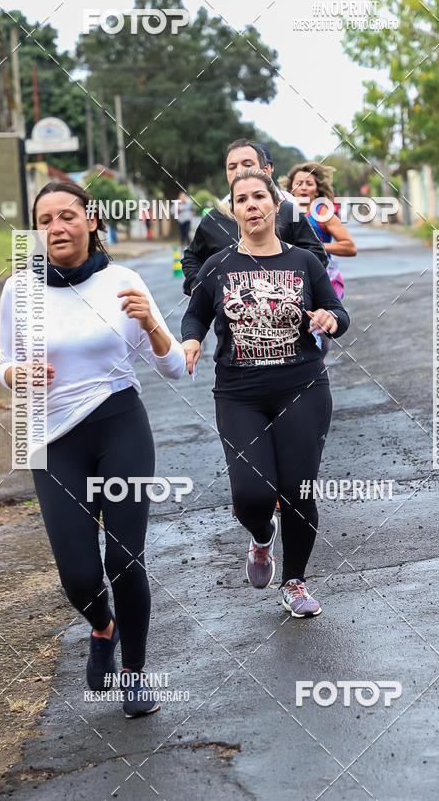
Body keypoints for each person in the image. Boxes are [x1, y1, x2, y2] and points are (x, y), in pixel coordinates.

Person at [0, 180, 186, 718]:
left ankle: (136, 674)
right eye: (46, 220)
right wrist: (19, 374)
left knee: (125, 558)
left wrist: (151, 324)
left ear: (92, 221)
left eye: (67, 216)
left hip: (119, 423)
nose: (57, 227)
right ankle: (101, 628)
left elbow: (173, 368)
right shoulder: (19, 290)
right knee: (78, 574)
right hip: (49, 438)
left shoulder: (124, 281)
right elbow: (4, 364)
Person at [180, 168, 350, 617]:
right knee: (252, 496)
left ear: (276, 205)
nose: (252, 204)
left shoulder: (304, 261)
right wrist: (192, 339)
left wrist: (332, 319)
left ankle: (295, 581)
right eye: (242, 199)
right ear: (233, 210)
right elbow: (194, 314)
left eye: (260, 196)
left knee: (298, 488)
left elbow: (336, 309)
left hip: (303, 386)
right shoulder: (218, 267)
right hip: (239, 395)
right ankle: (260, 537)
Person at [181, 140, 328, 296]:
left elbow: (317, 256)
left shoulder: (288, 211)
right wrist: (199, 288)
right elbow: (192, 258)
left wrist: (290, 291)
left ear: (264, 171)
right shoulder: (214, 219)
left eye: (247, 164)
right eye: (232, 167)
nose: (239, 171)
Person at [282, 161, 357, 356]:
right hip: (288, 280)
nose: (304, 187)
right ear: (290, 189)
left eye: (309, 183)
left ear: (317, 190)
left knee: (318, 331)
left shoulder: (321, 213)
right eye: (299, 183)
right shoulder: (281, 213)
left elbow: (350, 246)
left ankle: (317, 365)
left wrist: (311, 248)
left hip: (321, 277)